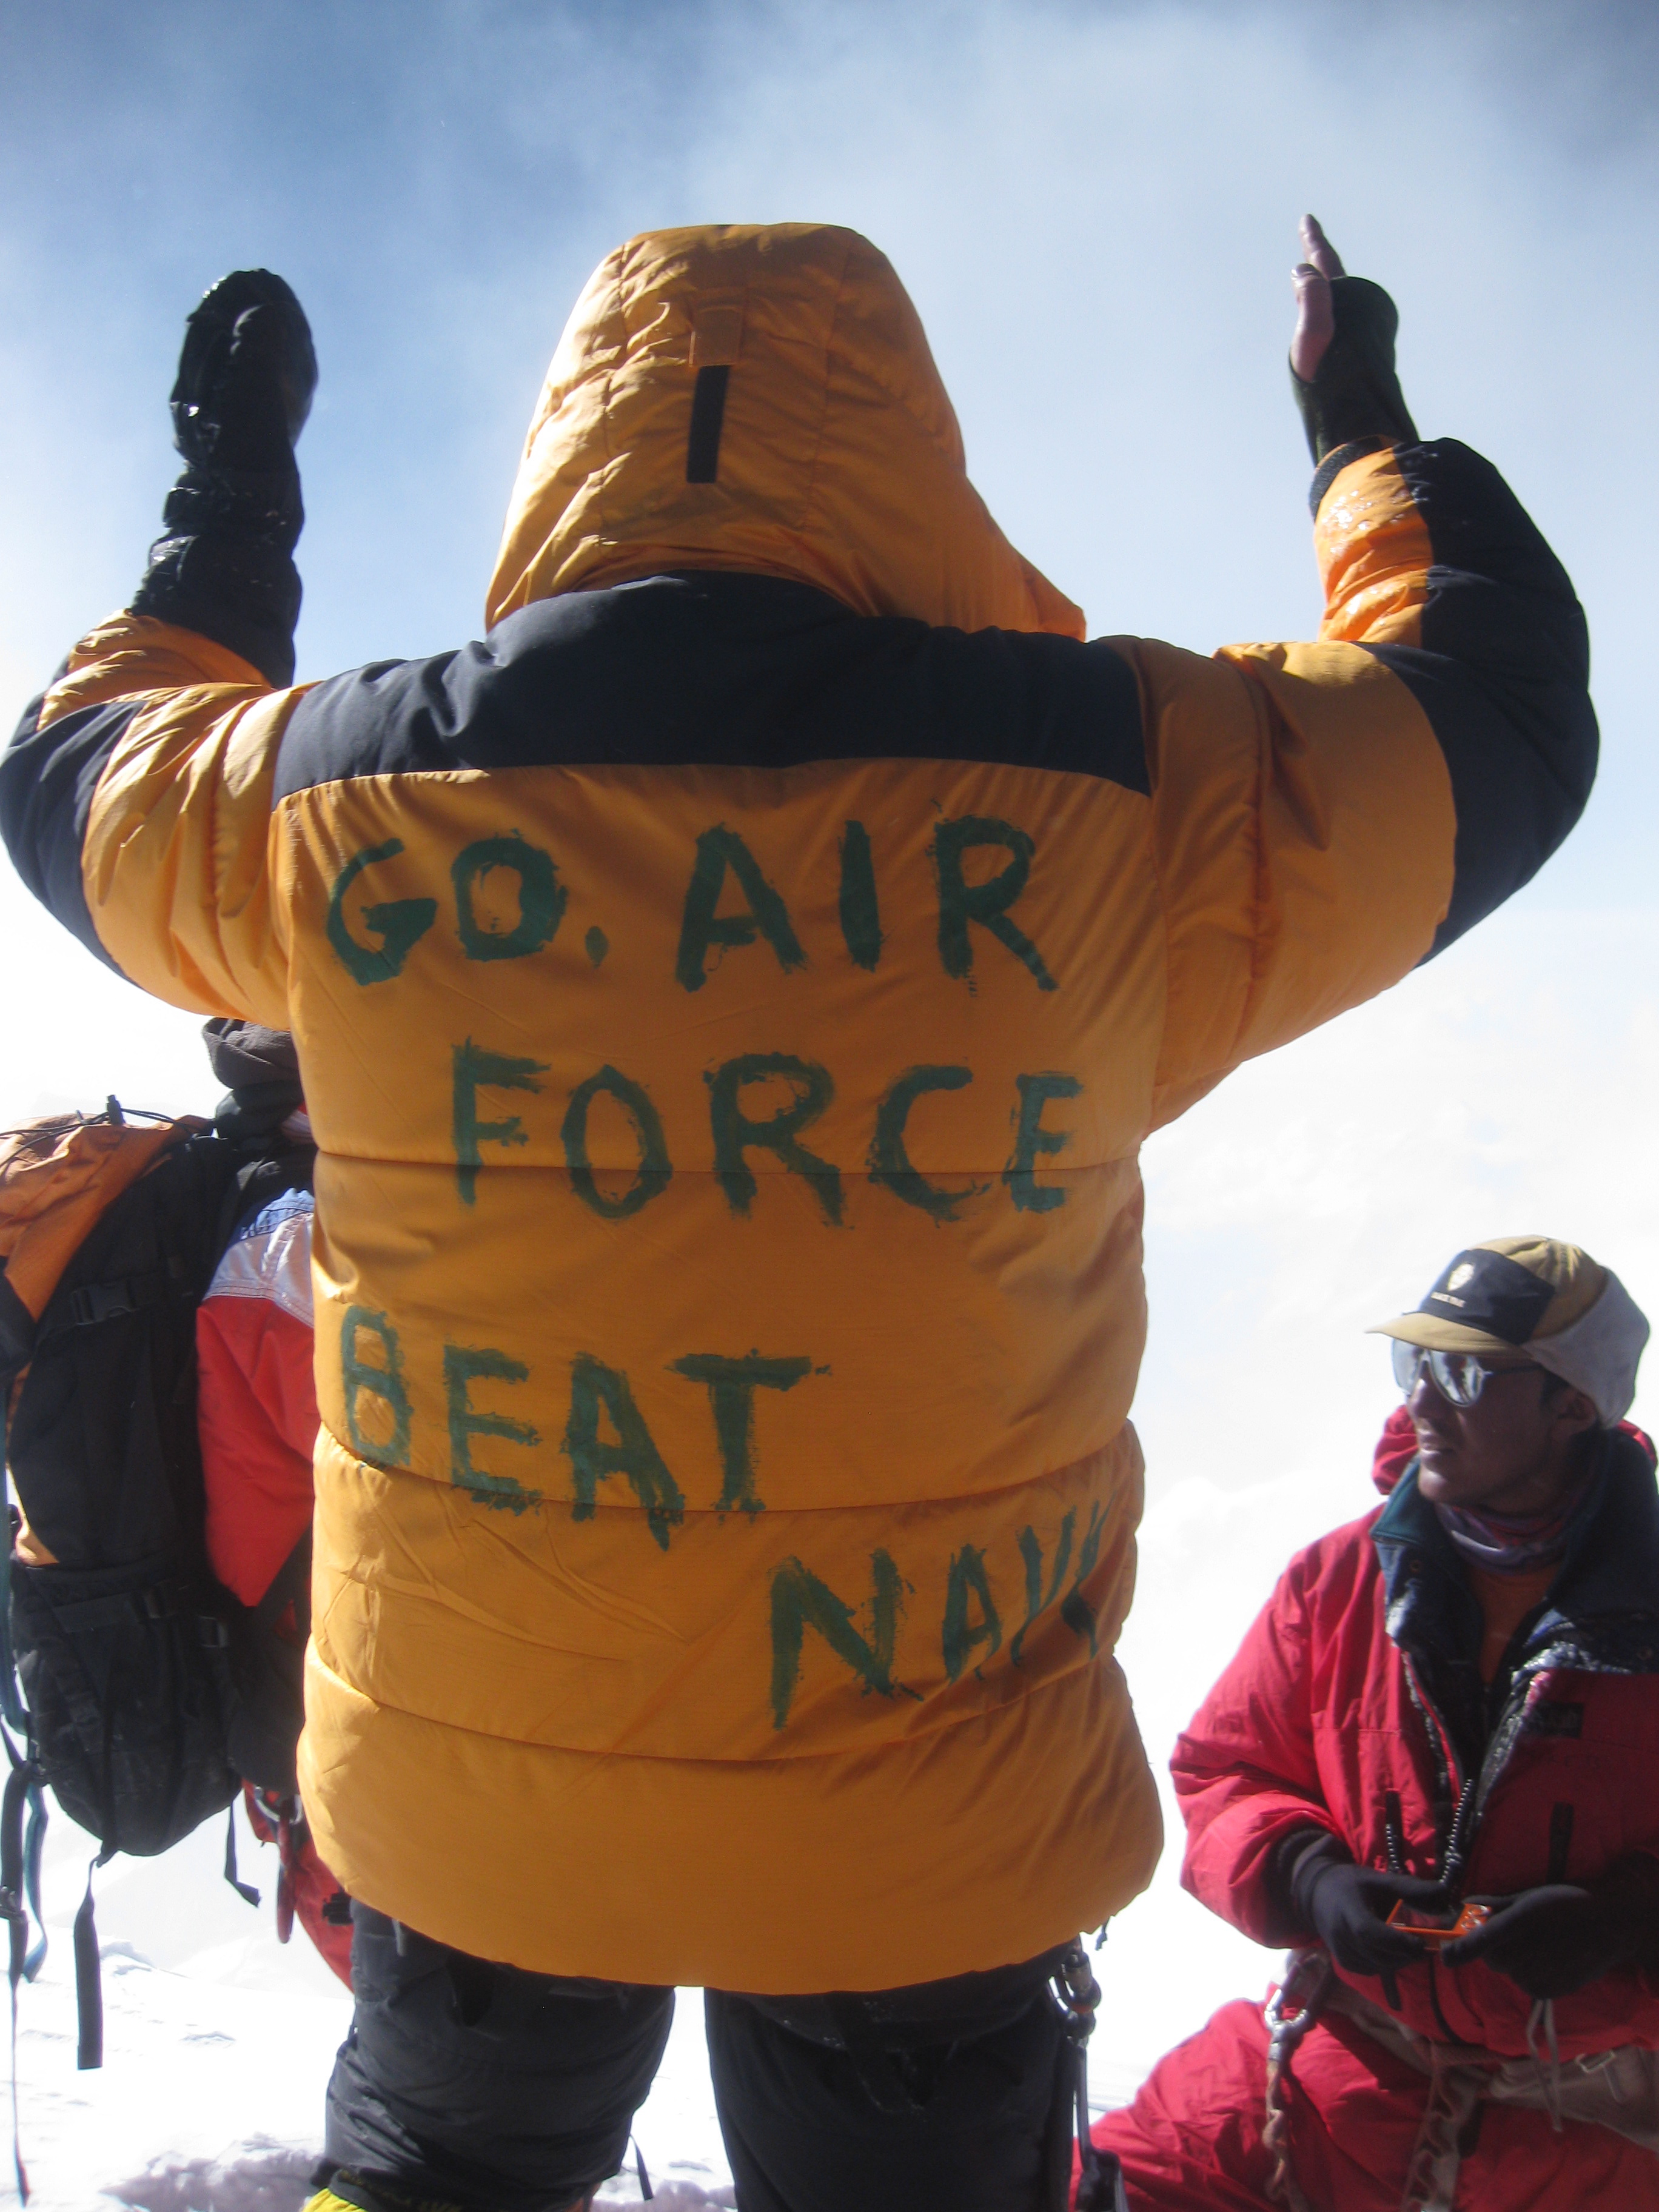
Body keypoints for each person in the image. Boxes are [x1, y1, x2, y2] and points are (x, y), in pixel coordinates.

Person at [0, 210, 1596, 2212]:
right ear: (909, 453)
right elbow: (1500, 710)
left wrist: (227, 495)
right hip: (925, 1819)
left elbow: (70, 771)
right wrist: (1355, 418)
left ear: (570, 446)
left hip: (473, 1793)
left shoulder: (341, 799)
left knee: (430, 2176)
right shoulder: (1118, 779)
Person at [1088, 1237, 1659, 2211]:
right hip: (1332, 2067)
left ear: (1573, 1406)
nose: (1422, 1402)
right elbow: (1225, 1772)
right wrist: (1308, 1878)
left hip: (1585, 2130)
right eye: (1414, 1364)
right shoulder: (1344, 1578)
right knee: (1094, 2188)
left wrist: (1632, 1925)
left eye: (1463, 1372)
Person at [195, 1018, 352, 1984]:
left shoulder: (251, 1196)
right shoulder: (306, 1233)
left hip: (285, 1680)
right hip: (328, 1696)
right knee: (456, 2026)